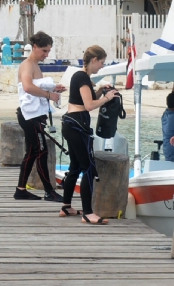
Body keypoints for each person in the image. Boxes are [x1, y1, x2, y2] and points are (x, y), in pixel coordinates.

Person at [61, 45, 119, 224]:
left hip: (71, 124)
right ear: (94, 60)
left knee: (75, 167)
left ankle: (66, 206)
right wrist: (107, 99)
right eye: (101, 62)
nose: (102, 66)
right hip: (77, 126)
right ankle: (88, 213)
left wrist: (100, 91)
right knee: (88, 168)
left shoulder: (80, 76)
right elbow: (89, 105)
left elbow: (85, 98)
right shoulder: (83, 78)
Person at [14, 31, 63, 201]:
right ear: (34, 47)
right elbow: (27, 87)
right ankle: (49, 191)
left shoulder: (36, 66)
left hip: (36, 115)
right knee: (41, 152)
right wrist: (50, 96)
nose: (46, 54)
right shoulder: (27, 65)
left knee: (33, 152)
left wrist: (53, 89)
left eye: (48, 51)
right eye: (44, 50)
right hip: (30, 117)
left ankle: (20, 189)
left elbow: (37, 89)